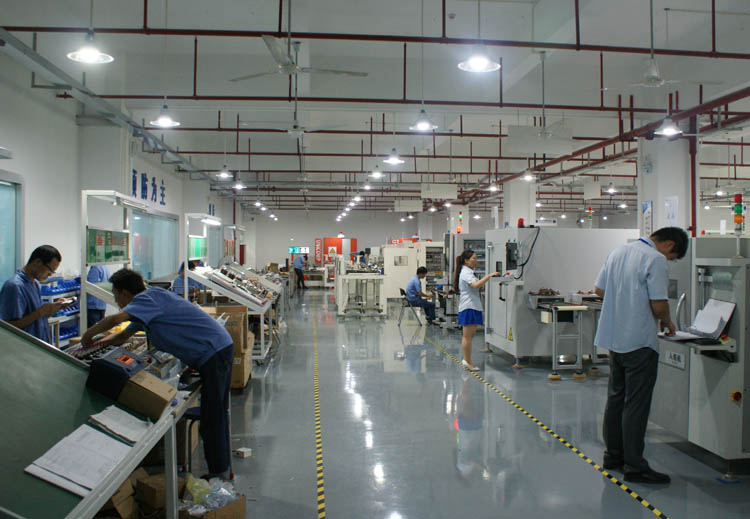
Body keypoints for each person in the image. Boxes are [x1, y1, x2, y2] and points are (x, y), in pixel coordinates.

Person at [81, 269, 234, 479]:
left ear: (124, 293)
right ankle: (221, 470)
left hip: (214, 353)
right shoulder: (146, 309)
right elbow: (122, 336)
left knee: (212, 417)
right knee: (215, 414)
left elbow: (116, 319)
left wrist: (88, 335)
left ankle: (219, 474)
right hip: (214, 352)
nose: (117, 301)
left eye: (116, 296)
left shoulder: (148, 298)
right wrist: (95, 346)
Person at [594, 226, 688, 484]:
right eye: (672, 257)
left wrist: (624, 298)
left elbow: (599, 290)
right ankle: (635, 466)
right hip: (639, 342)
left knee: (616, 400)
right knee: (636, 405)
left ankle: (613, 456)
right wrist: (668, 322)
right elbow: (659, 304)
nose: (668, 260)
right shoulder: (655, 259)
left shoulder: (618, 252)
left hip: (615, 339)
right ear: (669, 245)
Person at [0, 245, 73, 343]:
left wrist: (54, 308)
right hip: (24, 347)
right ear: (37, 262)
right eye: (50, 271)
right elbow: (9, 327)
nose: (50, 275)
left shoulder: (35, 283)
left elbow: (35, 319)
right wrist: (41, 311)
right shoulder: (15, 286)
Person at [453, 249, 498, 371]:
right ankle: (467, 361)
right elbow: (476, 285)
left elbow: (475, 287)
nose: (476, 260)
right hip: (469, 307)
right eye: (474, 258)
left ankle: (467, 360)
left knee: (469, 336)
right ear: (466, 260)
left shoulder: (469, 272)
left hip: (472, 306)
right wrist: (488, 276)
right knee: (467, 337)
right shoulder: (466, 272)